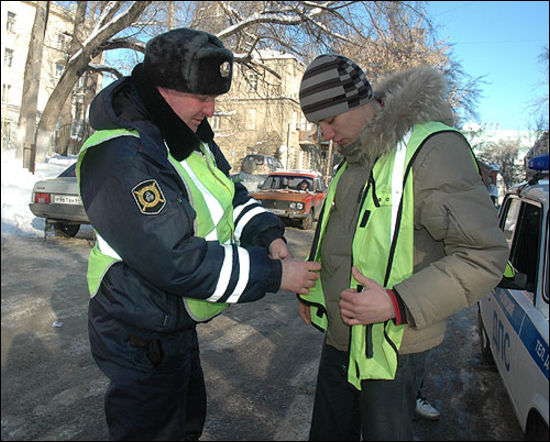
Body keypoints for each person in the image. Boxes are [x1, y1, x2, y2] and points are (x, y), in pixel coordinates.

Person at [77, 28, 320, 441]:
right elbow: (175, 257)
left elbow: (230, 196)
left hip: (172, 323)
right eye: (201, 97)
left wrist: (268, 236)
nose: (210, 110)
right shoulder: (123, 155)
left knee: (187, 422)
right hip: (138, 332)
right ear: (161, 89)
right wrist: (276, 275)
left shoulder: (184, 137)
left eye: (214, 98)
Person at [297, 54, 508, 440]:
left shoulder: (432, 149)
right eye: (318, 124)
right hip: (341, 336)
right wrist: (313, 294)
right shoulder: (352, 156)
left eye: (329, 120)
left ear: (360, 103)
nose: (324, 134)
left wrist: (398, 302)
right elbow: (339, 236)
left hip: (394, 343)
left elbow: (483, 255)